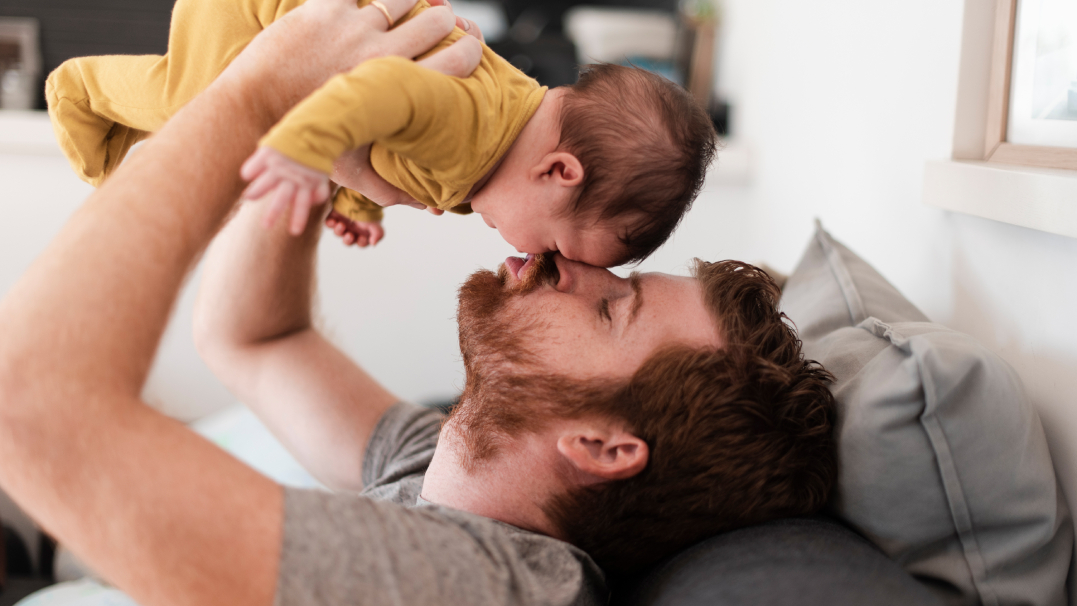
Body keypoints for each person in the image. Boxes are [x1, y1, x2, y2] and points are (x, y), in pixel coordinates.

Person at [0, 2, 834, 605]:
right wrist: (313, 143)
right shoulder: (447, 476)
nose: (564, 267)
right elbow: (255, 337)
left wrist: (255, 95)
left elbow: (24, 405)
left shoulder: (480, 583)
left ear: (600, 445)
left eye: (612, 308)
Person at [47, 0, 717, 264]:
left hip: (314, 32)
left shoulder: (499, 155)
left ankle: (119, 159)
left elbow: (384, 139)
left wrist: (356, 198)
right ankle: (77, 88)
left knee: (206, 152)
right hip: (268, 12)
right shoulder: (474, 130)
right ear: (559, 172)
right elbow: (380, 90)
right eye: (555, 250)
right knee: (190, 106)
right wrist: (299, 151)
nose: (529, 262)